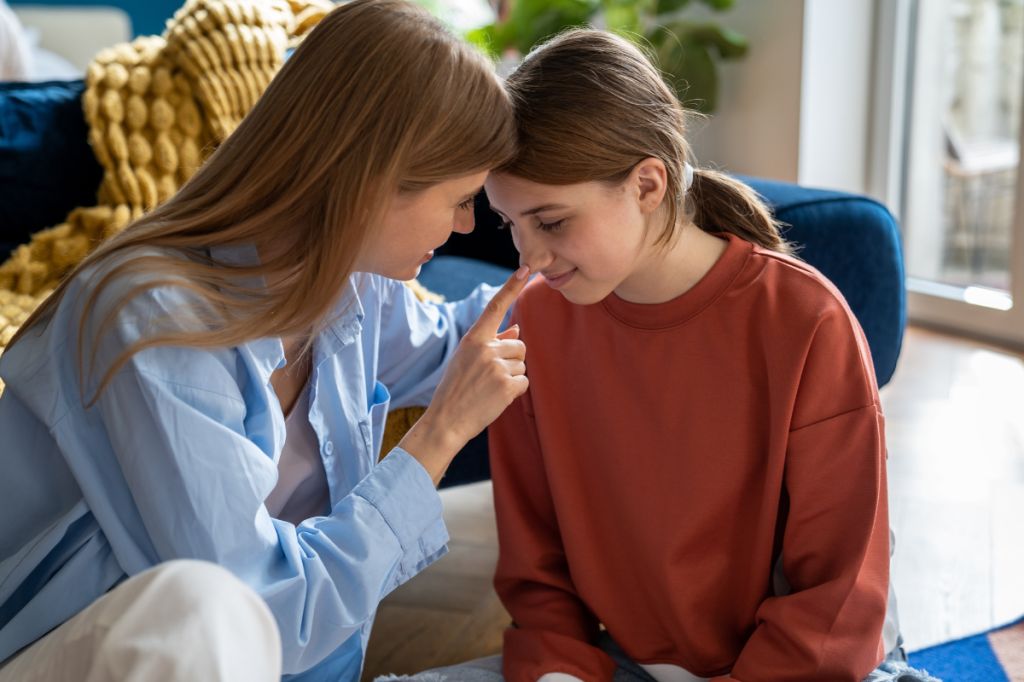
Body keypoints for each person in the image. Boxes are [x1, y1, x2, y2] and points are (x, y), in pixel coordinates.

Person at [0, 1, 532, 680]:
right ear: (370, 184)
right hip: (89, 657)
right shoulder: (153, 318)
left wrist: (582, 267)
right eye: (460, 199)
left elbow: (464, 340)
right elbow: (261, 610)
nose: (466, 226)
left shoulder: (347, 284)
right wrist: (437, 436)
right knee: (202, 604)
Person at [411, 29, 936, 682]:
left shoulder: (806, 322)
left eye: (550, 222)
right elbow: (535, 568)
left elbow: (837, 592)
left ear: (649, 185)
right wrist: (560, 671)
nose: (531, 258)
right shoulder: (538, 322)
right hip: (631, 663)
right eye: (512, 226)